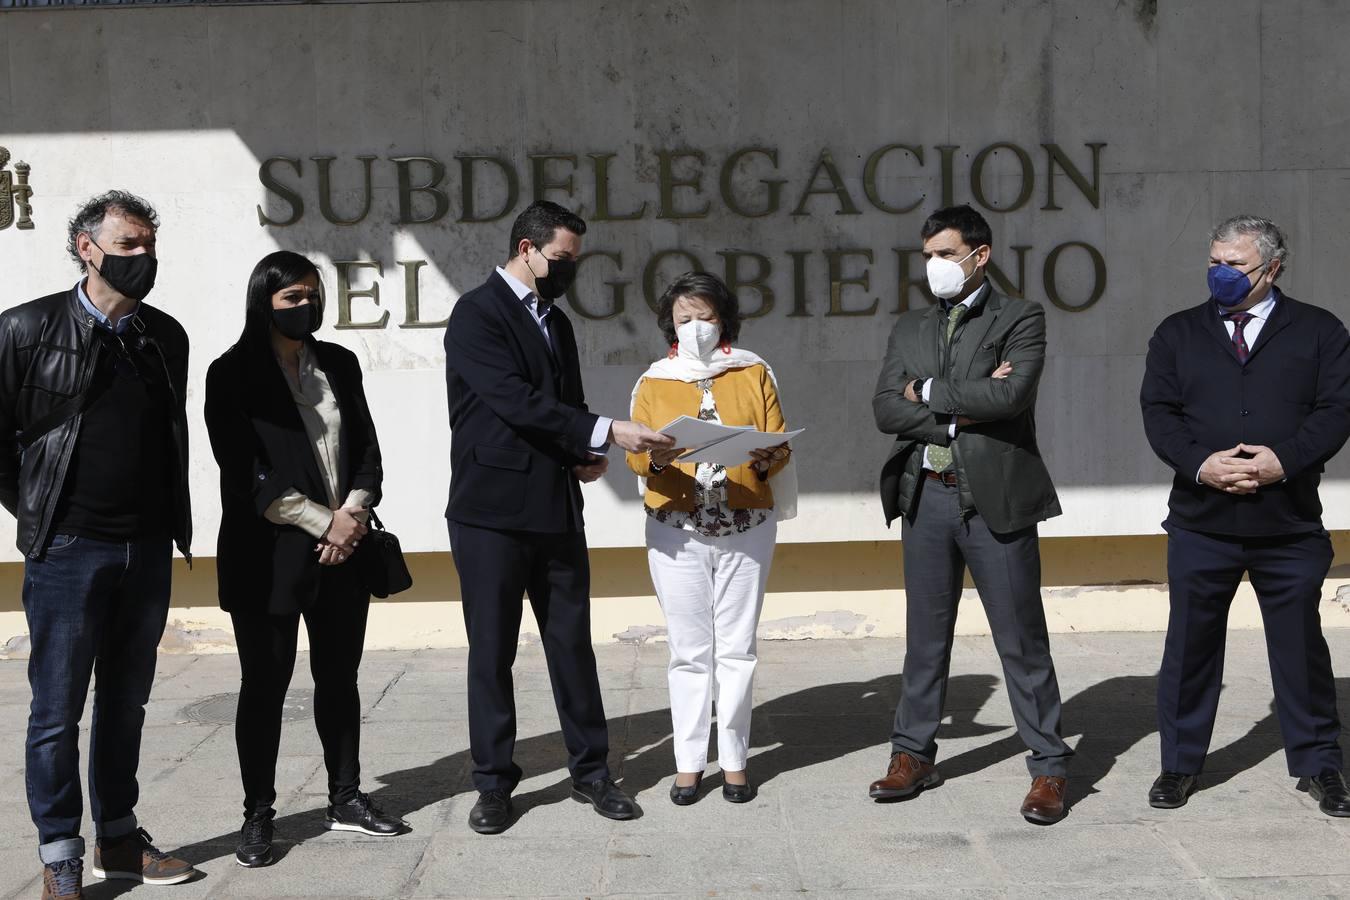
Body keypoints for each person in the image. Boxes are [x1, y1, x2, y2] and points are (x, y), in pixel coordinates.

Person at [444, 200, 675, 834]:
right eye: (562, 259)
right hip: (490, 514)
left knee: (571, 646)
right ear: (527, 249)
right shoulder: (476, 313)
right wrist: (606, 430)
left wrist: (584, 452)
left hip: (553, 507)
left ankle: (593, 773)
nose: (569, 270)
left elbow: (560, 405)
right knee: (491, 651)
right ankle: (493, 784)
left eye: (575, 260)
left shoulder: (557, 321)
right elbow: (511, 401)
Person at [0, 191, 195, 899]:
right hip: (68, 550)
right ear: (87, 248)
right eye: (128, 245)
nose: (143, 258)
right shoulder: (25, 329)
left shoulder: (164, 336)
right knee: (56, 712)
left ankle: (118, 836)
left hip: (144, 550)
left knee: (125, 703)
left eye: (149, 245)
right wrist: (40, 512)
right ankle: (59, 856)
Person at [1140, 214, 1350, 815]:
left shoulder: (1319, 330)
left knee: (1300, 648)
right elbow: (1159, 413)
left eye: (1235, 265)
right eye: (1214, 262)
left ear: (1272, 268)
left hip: (1288, 525)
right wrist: (1201, 466)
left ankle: (1321, 765)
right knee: (1190, 648)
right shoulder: (1177, 333)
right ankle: (1179, 765)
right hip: (1202, 522)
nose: (1221, 274)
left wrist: (1283, 460)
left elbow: (1336, 410)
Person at [870, 204, 1073, 824]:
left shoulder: (1021, 316)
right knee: (925, 641)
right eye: (927, 255)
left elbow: (1012, 395)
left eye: (945, 254)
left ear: (978, 255)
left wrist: (926, 392)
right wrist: (963, 406)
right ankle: (912, 754)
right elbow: (885, 409)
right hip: (925, 495)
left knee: (1021, 638)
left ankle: (1047, 768)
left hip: (994, 500)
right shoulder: (910, 327)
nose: (934, 266)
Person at [204, 250, 407, 869]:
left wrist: (355, 512)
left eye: (314, 295)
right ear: (263, 300)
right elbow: (247, 475)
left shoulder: (340, 364)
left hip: (341, 552)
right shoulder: (231, 373)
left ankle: (346, 798)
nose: (307, 307)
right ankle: (258, 816)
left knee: (340, 681)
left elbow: (367, 448)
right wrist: (330, 523)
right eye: (293, 297)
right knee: (263, 687)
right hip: (267, 555)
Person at [626, 272, 794, 806]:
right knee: (689, 651)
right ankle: (689, 762)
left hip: (745, 526)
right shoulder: (653, 381)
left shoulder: (753, 370)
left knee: (738, 648)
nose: (695, 327)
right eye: (684, 319)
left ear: (723, 320)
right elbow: (636, 455)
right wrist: (658, 455)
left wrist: (771, 454)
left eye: (705, 317)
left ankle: (738, 760)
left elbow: (778, 438)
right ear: (669, 326)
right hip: (678, 529)